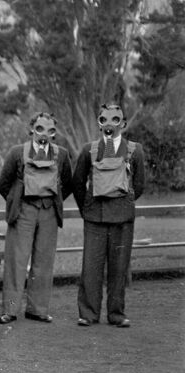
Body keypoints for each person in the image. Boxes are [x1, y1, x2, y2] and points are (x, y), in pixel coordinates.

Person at [72, 104, 145, 328]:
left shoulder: (135, 150)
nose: (110, 125)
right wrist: (88, 209)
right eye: (104, 120)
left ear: (123, 124)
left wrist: (123, 203)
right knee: (91, 268)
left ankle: (116, 314)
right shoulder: (89, 150)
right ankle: (88, 314)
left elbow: (139, 185)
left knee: (119, 267)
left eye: (115, 120)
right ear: (99, 123)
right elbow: (77, 183)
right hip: (95, 218)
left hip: (122, 218)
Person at [0, 112, 72, 325]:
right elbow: (4, 184)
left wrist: (50, 201)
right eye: (40, 129)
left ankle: (38, 309)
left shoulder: (62, 154)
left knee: (44, 261)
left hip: (48, 212)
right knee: (16, 261)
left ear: (54, 133)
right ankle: (10, 310)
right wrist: (18, 202)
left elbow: (66, 183)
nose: (44, 134)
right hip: (23, 212)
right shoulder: (17, 153)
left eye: (50, 130)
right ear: (31, 129)